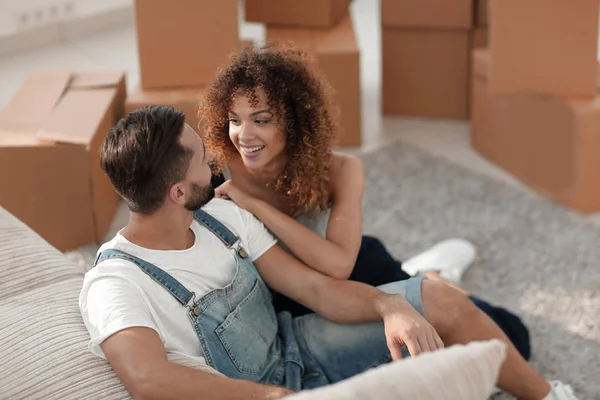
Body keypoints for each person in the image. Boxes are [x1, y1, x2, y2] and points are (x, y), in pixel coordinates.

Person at [79, 105, 577, 400]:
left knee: (440, 301)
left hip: (297, 346)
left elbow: (315, 287)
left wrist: (391, 305)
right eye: (198, 159)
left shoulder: (221, 214)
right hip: (261, 393)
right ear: (177, 193)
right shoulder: (116, 282)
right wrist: (274, 396)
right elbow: (147, 378)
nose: (212, 159)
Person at [200, 42, 531, 359]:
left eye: (261, 120)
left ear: (295, 120)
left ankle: (431, 276)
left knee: (514, 340)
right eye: (234, 119)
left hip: (360, 274)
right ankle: (424, 274)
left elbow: (339, 266)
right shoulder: (214, 176)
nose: (244, 134)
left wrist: (256, 206)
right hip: (290, 298)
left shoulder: (342, 169)